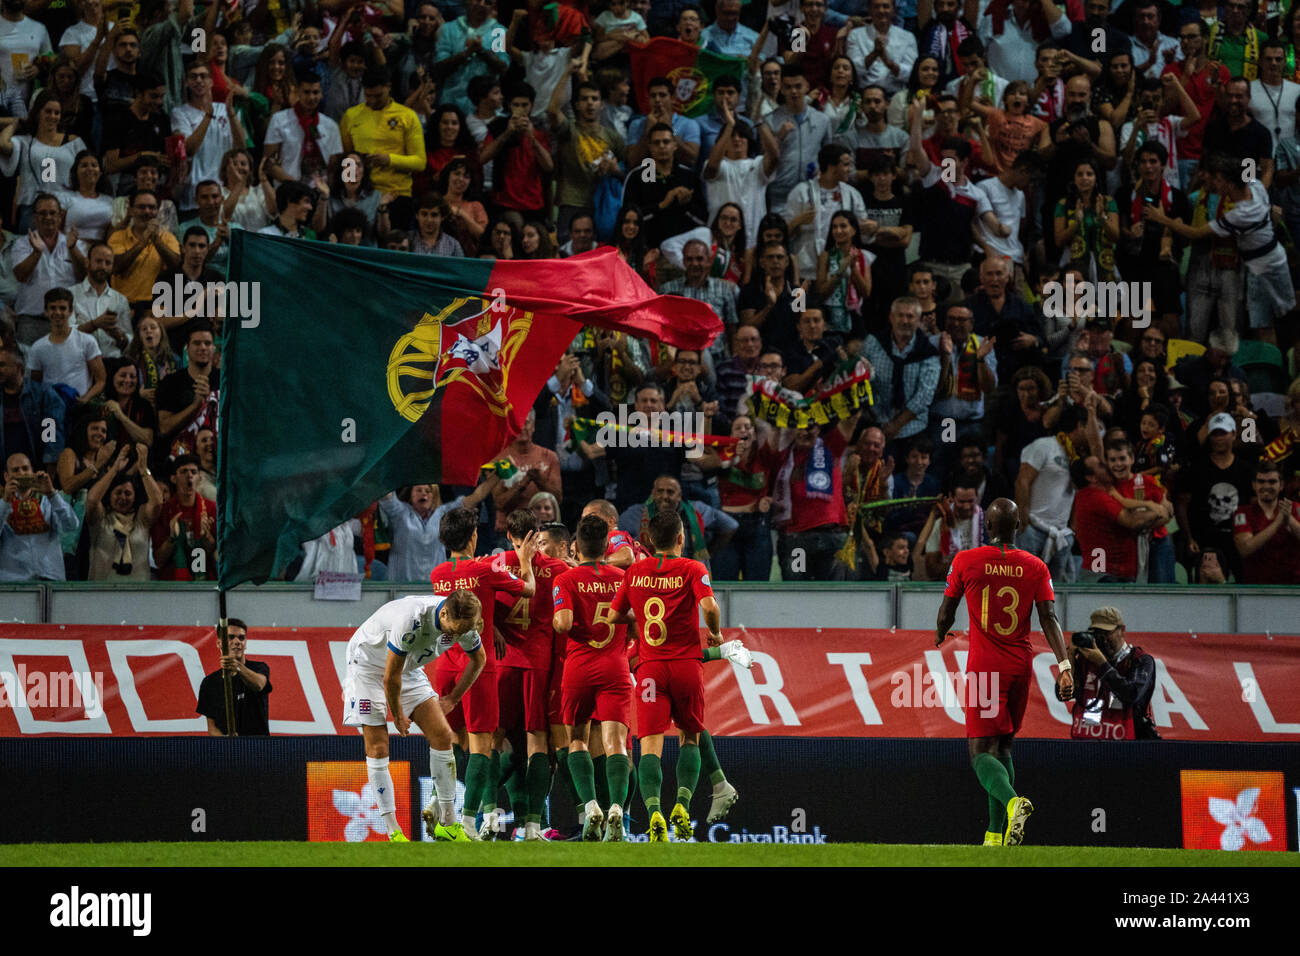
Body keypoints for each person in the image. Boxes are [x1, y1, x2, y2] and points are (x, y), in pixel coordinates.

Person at [935, 496, 1072, 847]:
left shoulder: (967, 560)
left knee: (981, 752)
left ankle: (1013, 803)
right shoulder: (1037, 566)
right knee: (1004, 748)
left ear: (988, 527)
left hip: (986, 666)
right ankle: (994, 837)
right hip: (1020, 665)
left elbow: (947, 610)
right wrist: (1065, 665)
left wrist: (940, 632)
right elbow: (1049, 618)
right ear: (1019, 527)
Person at [610, 508, 723, 842]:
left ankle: (655, 810)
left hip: (650, 668)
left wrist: (640, 624)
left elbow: (615, 615)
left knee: (649, 747)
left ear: (647, 540)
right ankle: (683, 806)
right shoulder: (693, 568)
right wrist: (715, 634)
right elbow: (710, 608)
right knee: (690, 736)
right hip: (687, 666)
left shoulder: (635, 571)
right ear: (681, 538)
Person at [342, 590, 486, 842]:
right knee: (378, 746)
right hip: (367, 665)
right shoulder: (411, 620)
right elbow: (390, 677)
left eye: (464, 631)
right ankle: (392, 831)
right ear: (443, 614)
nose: (459, 636)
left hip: (406, 668)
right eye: (456, 631)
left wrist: (452, 698)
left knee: (442, 735)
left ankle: (448, 824)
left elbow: (479, 659)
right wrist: (398, 715)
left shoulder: (465, 622)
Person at [429, 507, 534, 838]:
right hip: (477, 668)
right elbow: (528, 589)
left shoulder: (438, 573)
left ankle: (436, 800)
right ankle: (468, 822)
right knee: (482, 745)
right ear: (473, 536)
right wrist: (526, 561)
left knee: (452, 740)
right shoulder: (485, 570)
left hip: (445, 664)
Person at [552, 513, 634, 841]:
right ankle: (617, 807)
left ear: (576, 546)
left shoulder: (567, 579)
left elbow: (563, 624)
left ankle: (590, 807)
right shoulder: (621, 577)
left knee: (578, 740)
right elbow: (636, 619)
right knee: (616, 743)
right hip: (615, 665)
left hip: (580, 667)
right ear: (605, 545)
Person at [494, 508, 570, 840]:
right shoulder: (557, 570)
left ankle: (484, 817)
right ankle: (533, 825)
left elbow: (477, 606)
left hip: (501, 663)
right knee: (537, 742)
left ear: (508, 535)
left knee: (495, 739)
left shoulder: (495, 565)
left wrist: (493, 627)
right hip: (539, 665)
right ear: (534, 535)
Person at [1015, 403, 1100, 581]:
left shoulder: (1078, 459)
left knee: (1053, 596)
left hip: (1061, 534)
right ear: (1079, 426)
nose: (1093, 432)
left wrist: (1072, 530)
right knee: (1023, 586)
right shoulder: (1044, 446)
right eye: (1089, 427)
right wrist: (1024, 522)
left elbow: (1079, 493)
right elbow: (1023, 481)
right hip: (1033, 529)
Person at [339, 67, 426, 231]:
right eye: (368, 96)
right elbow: (346, 158)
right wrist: (348, 191)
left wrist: (389, 160)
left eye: (378, 96)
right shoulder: (351, 116)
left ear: (389, 87)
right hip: (361, 195)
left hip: (396, 194)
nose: (372, 100)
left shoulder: (407, 116)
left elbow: (420, 162)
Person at [379, 474, 498, 583]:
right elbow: (385, 494)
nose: (424, 494)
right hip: (400, 586)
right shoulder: (400, 513)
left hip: (434, 586)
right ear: (411, 494)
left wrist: (497, 476)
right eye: (419, 490)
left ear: (434, 495)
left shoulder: (443, 513)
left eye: (428, 491)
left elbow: (475, 497)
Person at [1064, 607, 1159, 741]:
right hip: (1087, 740)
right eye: (1097, 633)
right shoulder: (1087, 659)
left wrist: (1102, 664)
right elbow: (1063, 694)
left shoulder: (1140, 660)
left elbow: (1132, 694)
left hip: (1125, 745)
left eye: (1107, 633)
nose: (1103, 639)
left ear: (1122, 630)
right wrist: (1071, 659)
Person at [861, 297, 941, 444]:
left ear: (918, 320)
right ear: (891, 318)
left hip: (913, 427)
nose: (905, 321)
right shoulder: (873, 342)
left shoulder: (928, 352)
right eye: (900, 315)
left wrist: (896, 424)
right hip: (875, 422)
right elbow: (862, 379)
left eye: (910, 316)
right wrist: (876, 416)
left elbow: (925, 394)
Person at [10, 193, 82, 346]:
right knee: (29, 368)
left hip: (67, 320)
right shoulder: (22, 244)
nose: (48, 217)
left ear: (60, 216)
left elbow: (84, 276)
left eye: (52, 213)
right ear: (34, 217)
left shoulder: (74, 242)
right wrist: (36, 253)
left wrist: (73, 249)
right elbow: (20, 276)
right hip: (31, 320)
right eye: (42, 213)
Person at [0, 453, 78, 581]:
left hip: (50, 578)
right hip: (14, 582)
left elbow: (71, 526)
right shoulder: (2, 505)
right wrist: (5, 502)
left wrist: (52, 494)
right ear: (6, 476)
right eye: (15, 470)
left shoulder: (49, 501)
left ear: (32, 472)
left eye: (25, 469)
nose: (21, 473)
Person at [27, 287, 106, 410]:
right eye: (53, 308)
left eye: (62, 308)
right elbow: (35, 384)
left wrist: (85, 399)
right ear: (46, 312)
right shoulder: (37, 348)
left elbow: (101, 380)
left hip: (80, 408)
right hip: (51, 410)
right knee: (49, 430)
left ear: (70, 311)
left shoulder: (87, 341)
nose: (58, 312)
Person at [264, 68, 344, 185]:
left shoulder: (331, 126)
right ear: (297, 92)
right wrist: (294, 185)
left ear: (321, 94)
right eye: (306, 92)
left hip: (319, 192)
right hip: (288, 189)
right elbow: (268, 162)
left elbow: (333, 166)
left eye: (315, 92)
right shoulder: (279, 120)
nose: (311, 97)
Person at [197, 618, 273, 736]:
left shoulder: (259, 668)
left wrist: (237, 667)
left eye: (241, 638)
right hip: (228, 751)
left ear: (245, 643)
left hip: (259, 748)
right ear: (219, 643)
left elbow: (259, 685)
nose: (237, 641)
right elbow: (212, 728)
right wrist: (225, 740)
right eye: (230, 637)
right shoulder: (209, 683)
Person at [1231, 459, 1300, 585]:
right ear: (1254, 485)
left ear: (1281, 485)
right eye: (1261, 481)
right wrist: (1277, 522)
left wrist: (1290, 519)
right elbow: (1245, 549)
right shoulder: (1242, 512)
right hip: (1257, 587)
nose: (1266, 486)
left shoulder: (1295, 508)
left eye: (1272, 482)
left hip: (1294, 587)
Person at [0, 344, 65, 469]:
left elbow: (51, 435)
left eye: (2, 365)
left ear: (19, 367)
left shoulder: (43, 395)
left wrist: (49, 472)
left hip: (35, 470)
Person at [151, 453, 214, 581]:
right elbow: (158, 560)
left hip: (204, 584)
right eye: (184, 471)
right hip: (172, 586)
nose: (189, 475)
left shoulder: (211, 509)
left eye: (194, 472)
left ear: (199, 478)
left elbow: (214, 555)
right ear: (174, 478)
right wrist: (172, 539)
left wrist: (206, 537)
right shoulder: (163, 511)